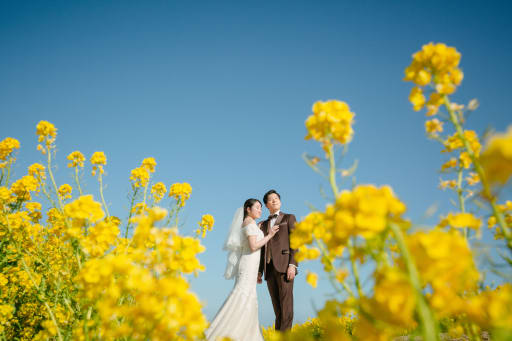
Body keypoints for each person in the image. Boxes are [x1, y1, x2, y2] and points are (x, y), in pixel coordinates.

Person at [205, 198, 280, 341]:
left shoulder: (251, 224)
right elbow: (253, 246)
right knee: (242, 295)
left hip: (251, 264)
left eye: (260, 208)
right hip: (247, 264)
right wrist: (270, 235)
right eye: (257, 207)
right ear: (248, 209)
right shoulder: (248, 223)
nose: (260, 210)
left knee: (247, 296)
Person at [258, 190, 298, 331]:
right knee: (277, 309)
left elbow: (295, 242)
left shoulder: (289, 218)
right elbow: (261, 249)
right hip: (269, 270)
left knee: (286, 307)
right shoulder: (262, 225)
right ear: (267, 204)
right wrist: (259, 271)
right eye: (271, 199)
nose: (274, 200)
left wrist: (292, 265)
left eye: (276, 198)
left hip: (285, 267)